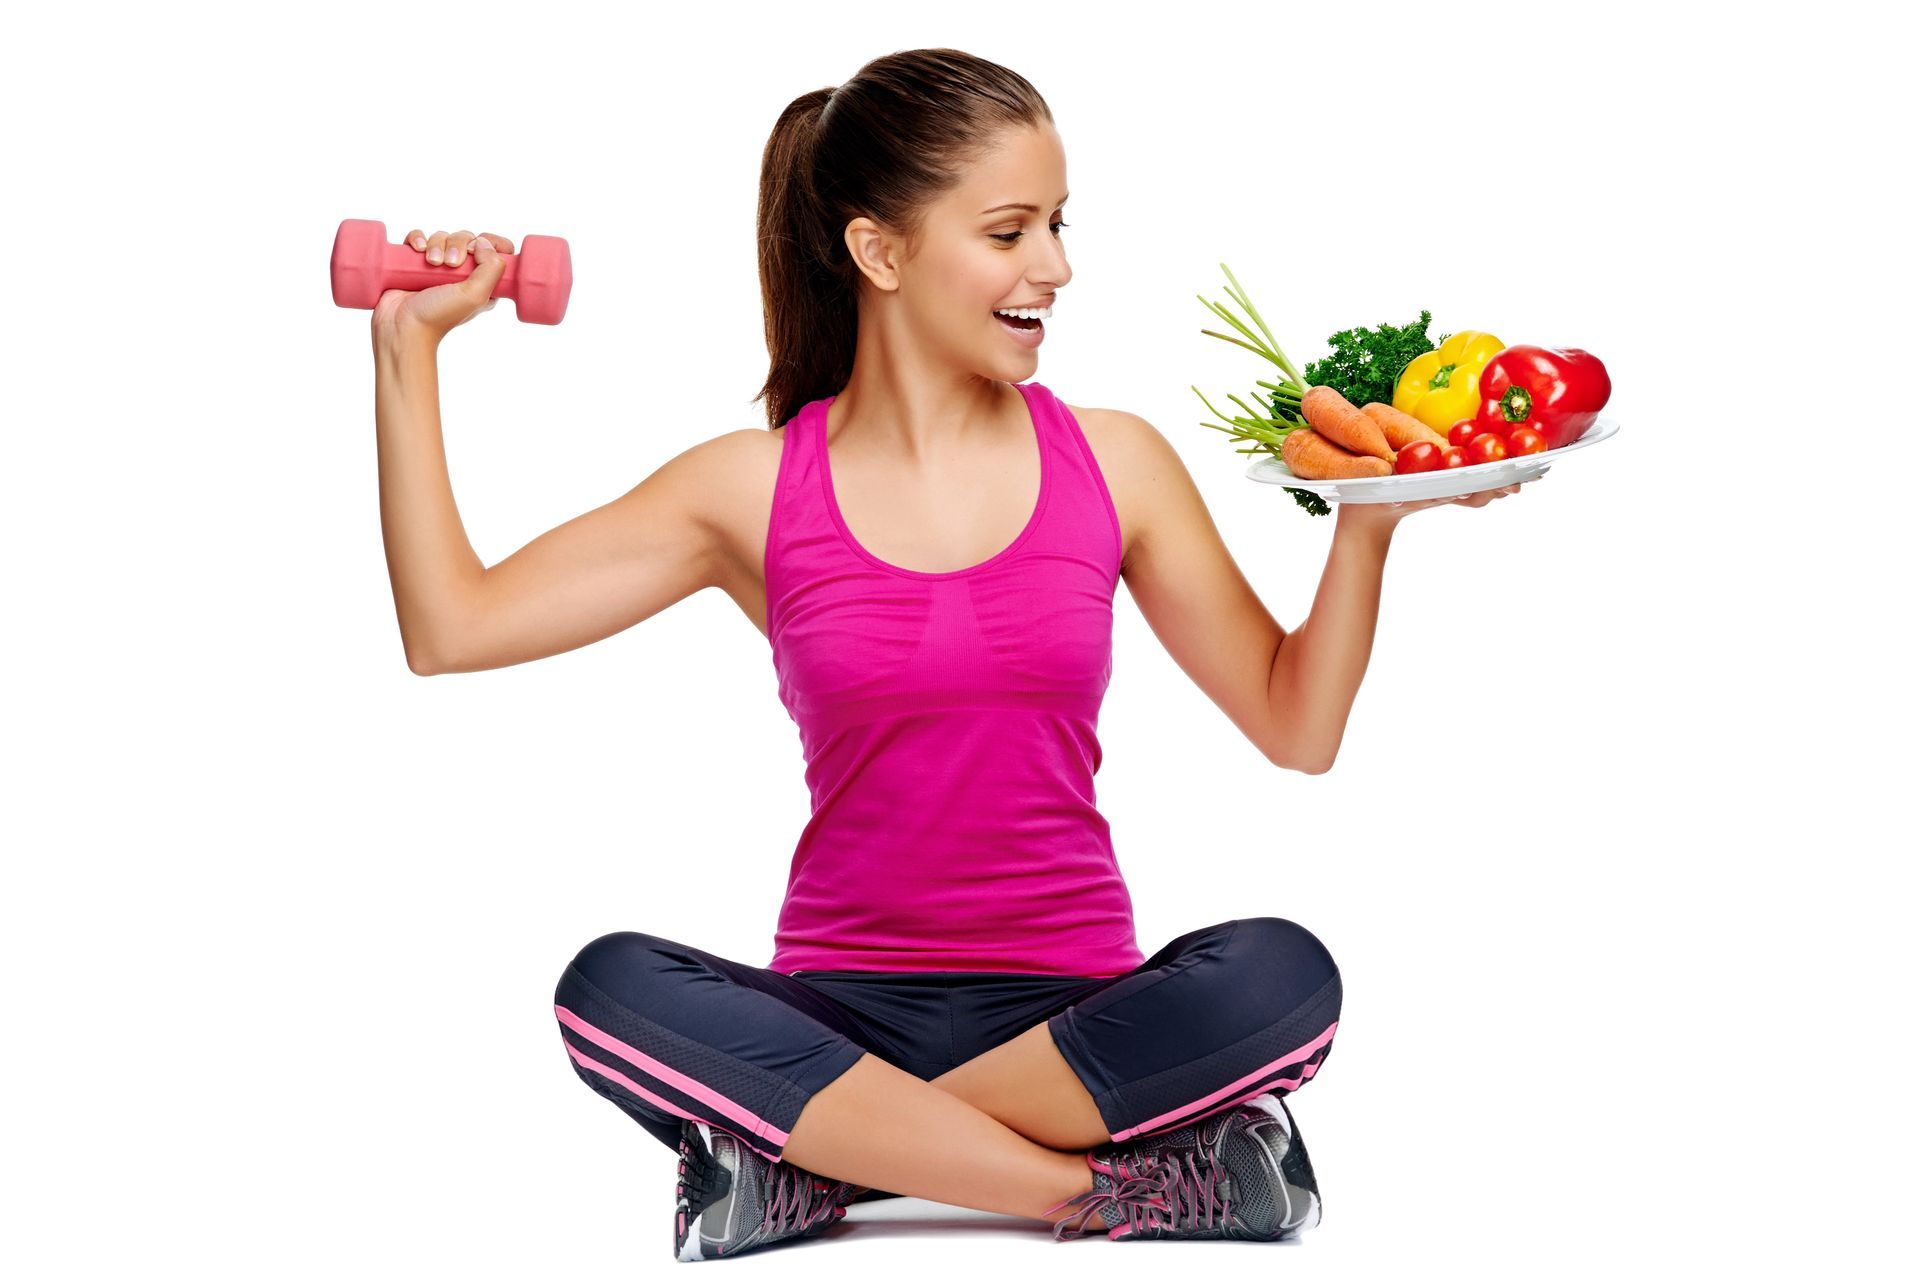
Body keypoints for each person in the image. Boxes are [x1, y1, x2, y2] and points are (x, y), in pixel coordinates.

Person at [369, 47, 1521, 1264]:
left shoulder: (1115, 463)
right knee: (606, 988)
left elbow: (1300, 729)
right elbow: (453, 628)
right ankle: (1103, 1190)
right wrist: (408, 351)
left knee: (1282, 978)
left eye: (1060, 225)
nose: (1057, 268)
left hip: (1078, 1023)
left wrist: (1367, 528)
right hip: (833, 1021)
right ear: (881, 253)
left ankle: (818, 1160)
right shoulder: (748, 490)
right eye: (1012, 230)